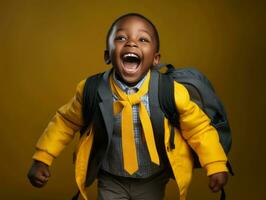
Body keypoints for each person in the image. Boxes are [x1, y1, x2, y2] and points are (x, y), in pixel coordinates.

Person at [27, 13, 228, 200]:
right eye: (121, 38)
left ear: (155, 59)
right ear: (108, 55)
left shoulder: (170, 92)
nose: (131, 42)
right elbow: (65, 122)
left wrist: (216, 164)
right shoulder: (92, 90)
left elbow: (199, 129)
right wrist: (42, 158)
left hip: (152, 178)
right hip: (110, 177)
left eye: (143, 39)